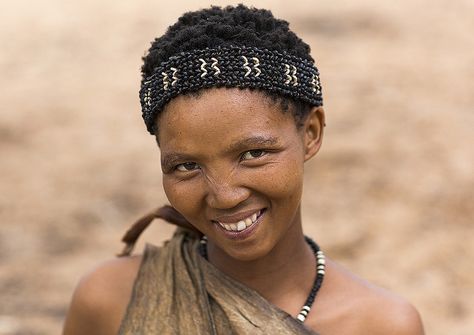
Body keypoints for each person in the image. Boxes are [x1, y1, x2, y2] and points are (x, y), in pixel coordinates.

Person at [63, 5, 424, 335]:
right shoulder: (110, 302)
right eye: (187, 166)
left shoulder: (380, 325)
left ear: (311, 134)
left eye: (253, 153)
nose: (224, 195)